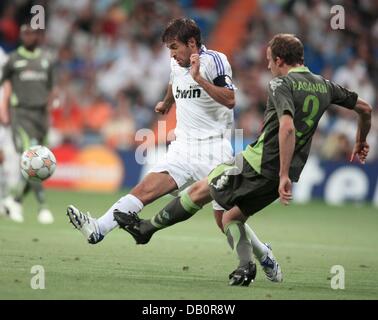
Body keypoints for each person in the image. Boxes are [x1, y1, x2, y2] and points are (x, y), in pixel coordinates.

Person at [113, 33, 372, 286]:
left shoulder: (281, 85)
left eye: (270, 60)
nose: (268, 66)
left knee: (200, 189)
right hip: (286, 172)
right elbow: (365, 109)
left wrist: (282, 173)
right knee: (230, 219)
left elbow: (287, 128)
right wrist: (361, 139)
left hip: (258, 162)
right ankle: (247, 265)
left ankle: (146, 229)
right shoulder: (324, 85)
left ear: (281, 60)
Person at [67, 18, 278, 273]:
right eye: (169, 49)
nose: (172, 54)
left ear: (191, 43)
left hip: (214, 150)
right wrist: (167, 102)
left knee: (225, 220)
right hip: (182, 147)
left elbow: (231, 100)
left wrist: (199, 79)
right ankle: (97, 230)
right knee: (145, 189)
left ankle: (263, 255)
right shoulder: (175, 62)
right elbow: (174, 81)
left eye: (175, 47)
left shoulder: (215, 60)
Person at [0, 24, 55, 224]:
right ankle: (43, 207)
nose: (29, 37)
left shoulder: (46, 60)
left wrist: (48, 115)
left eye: (33, 34)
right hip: (20, 114)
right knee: (32, 157)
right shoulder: (13, 59)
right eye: (26, 33)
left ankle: (14, 200)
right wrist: (5, 110)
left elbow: (50, 90)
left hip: (40, 117)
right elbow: (5, 84)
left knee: (34, 164)